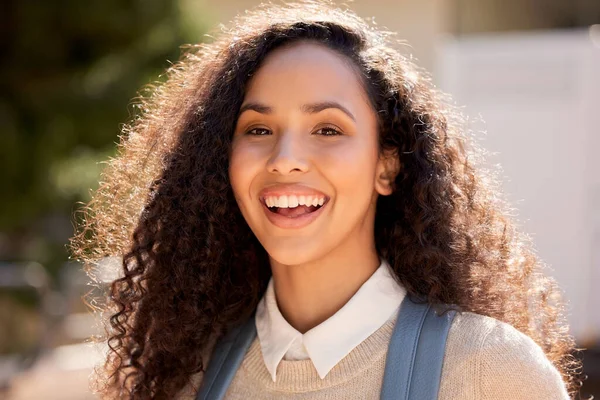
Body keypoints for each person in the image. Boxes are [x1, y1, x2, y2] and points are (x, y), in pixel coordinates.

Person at [70, 0, 583, 399]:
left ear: (387, 165)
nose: (285, 158)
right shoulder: (188, 374)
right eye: (259, 128)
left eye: (328, 128)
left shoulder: (489, 372)